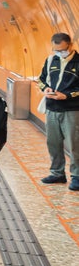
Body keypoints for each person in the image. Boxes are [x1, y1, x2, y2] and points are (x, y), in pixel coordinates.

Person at [38, 32, 79, 191]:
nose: (59, 53)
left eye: (62, 50)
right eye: (56, 50)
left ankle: (76, 176)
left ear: (70, 46)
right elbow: (41, 80)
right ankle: (57, 173)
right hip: (52, 108)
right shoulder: (50, 60)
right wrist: (46, 89)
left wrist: (67, 95)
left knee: (74, 144)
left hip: (72, 110)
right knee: (53, 143)